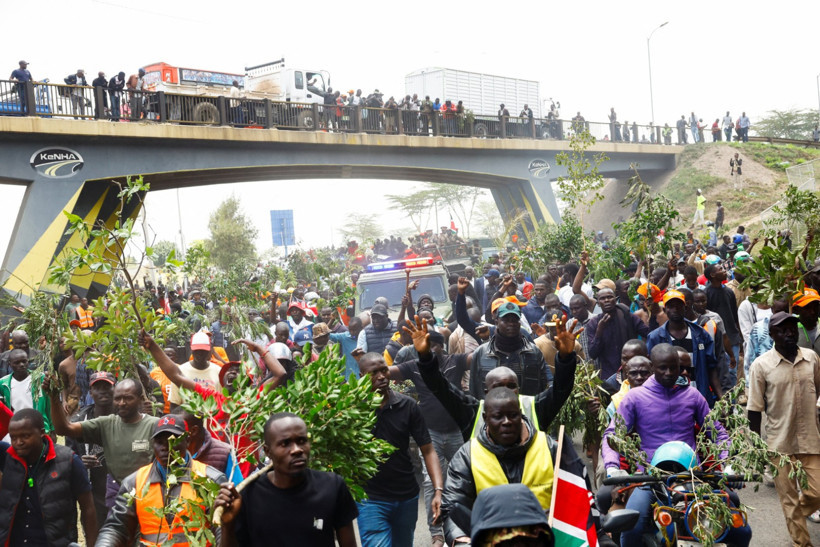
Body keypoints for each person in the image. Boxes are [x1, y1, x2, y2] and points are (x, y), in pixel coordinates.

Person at [603, 344, 743, 546]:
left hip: (693, 477)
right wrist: (612, 467)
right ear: (653, 367)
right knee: (632, 529)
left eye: (673, 367)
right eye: (663, 368)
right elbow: (612, 435)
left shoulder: (693, 395)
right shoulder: (634, 398)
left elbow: (718, 432)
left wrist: (729, 464)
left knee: (741, 529)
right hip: (650, 479)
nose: (669, 373)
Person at [215, 412, 358, 546]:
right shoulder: (249, 495)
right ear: (267, 451)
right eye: (285, 443)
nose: (297, 449)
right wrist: (228, 525)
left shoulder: (332, 486)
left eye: (302, 441)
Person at [97, 414, 227, 546]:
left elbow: (222, 530)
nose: (165, 447)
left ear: (187, 441)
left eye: (172, 441)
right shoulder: (134, 482)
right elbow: (116, 528)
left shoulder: (210, 480)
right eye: (160, 442)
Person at [357, 351, 444, 547]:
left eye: (384, 370)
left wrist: (438, 491)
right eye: (373, 373)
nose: (381, 376)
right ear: (361, 376)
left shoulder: (408, 406)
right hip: (371, 499)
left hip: (406, 496)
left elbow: (428, 450)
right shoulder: (353, 409)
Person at [748, 311, 820, 546]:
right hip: (779, 443)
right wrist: (756, 447)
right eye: (783, 329)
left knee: (817, 493)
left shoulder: (811, 358)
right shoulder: (761, 365)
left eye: (792, 328)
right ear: (772, 334)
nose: (789, 333)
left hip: (810, 438)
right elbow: (754, 409)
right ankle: (802, 543)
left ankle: (795, 513)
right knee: (788, 498)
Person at [0, 408, 98, 546]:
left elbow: (88, 508)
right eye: (13, 438)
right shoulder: (8, 457)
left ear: (42, 433)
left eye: (25, 436)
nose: (18, 443)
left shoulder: (68, 460)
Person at [48, 376, 160, 486]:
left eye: (128, 398)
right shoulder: (106, 424)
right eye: (117, 399)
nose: (121, 403)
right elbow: (63, 429)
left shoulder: (154, 425)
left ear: (140, 399)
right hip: (118, 491)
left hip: (148, 490)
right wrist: (54, 396)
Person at [646, 290, 723, 407]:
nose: (675, 309)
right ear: (665, 310)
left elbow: (711, 368)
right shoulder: (655, 337)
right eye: (671, 306)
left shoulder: (700, 334)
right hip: (668, 398)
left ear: (685, 307)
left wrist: (721, 398)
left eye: (679, 306)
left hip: (699, 396)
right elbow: (651, 370)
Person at [66, 371, 117, 531]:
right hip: (94, 491)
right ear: (90, 392)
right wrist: (80, 461)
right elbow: (68, 457)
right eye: (97, 388)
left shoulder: (126, 416)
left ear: (115, 389)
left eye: (107, 387)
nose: (102, 391)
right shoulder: (78, 421)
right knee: (96, 532)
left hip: (123, 488)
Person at [585, 288, 651, 379]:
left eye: (610, 297)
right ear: (598, 303)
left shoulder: (627, 317)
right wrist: (600, 330)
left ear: (615, 299)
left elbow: (648, 334)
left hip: (631, 372)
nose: (607, 300)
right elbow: (593, 353)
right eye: (602, 298)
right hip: (608, 374)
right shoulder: (593, 323)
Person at [0, 348, 52, 437]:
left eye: (24, 361)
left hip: (39, 429)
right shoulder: (3, 383)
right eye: (17, 363)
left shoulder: (40, 379)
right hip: (15, 430)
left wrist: (52, 429)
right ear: (10, 364)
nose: (21, 365)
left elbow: (49, 405)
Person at [167, 331, 223, 409]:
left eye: (203, 350)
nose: (200, 353)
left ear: (209, 350)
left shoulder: (218, 371)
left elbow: (222, 402)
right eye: (197, 350)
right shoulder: (181, 371)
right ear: (191, 349)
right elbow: (174, 404)